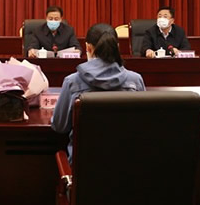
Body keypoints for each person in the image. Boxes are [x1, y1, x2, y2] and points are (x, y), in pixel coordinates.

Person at [51, 23, 145, 160]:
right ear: (117, 47)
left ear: (88, 47)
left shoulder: (72, 82)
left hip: (84, 166)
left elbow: (59, 126)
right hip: (127, 163)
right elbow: (142, 126)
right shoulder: (135, 80)